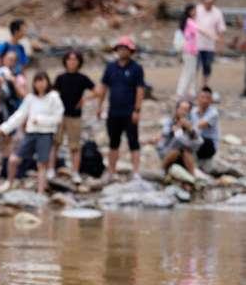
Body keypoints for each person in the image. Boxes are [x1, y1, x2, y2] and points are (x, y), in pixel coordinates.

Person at [0, 71, 64, 194]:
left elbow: (58, 117)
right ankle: (9, 182)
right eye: (37, 81)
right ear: (34, 83)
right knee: (13, 159)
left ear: (47, 82)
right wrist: (5, 128)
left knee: (41, 164)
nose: (40, 84)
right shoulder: (30, 98)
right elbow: (20, 115)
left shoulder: (53, 97)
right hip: (31, 133)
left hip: (45, 134)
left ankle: (40, 191)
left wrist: (40, 120)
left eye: (43, 81)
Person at [96, 36, 145, 182]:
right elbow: (104, 87)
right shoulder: (110, 67)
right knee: (113, 142)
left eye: (125, 48)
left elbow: (140, 89)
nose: (122, 51)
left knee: (133, 142)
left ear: (130, 51)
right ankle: (111, 171)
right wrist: (99, 106)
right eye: (120, 48)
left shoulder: (136, 68)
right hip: (113, 111)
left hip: (129, 111)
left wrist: (137, 110)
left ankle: (136, 171)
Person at [51, 50, 95, 184]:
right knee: (55, 143)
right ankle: (50, 169)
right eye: (69, 59)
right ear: (65, 61)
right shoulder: (60, 78)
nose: (72, 62)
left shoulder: (82, 78)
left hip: (75, 116)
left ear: (79, 62)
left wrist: (85, 99)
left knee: (75, 145)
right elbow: (53, 95)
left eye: (75, 59)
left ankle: (75, 172)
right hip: (59, 115)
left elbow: (97, 90)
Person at [156, 100, 201, 174]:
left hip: (184, 153)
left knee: (186, 151)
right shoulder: (169, 122)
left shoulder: (190, 124)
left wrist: (190, 130)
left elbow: (198, 141)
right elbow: (165, 135)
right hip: (168, 152)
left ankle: (192, 176)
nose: (184, 112)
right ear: (177, 109)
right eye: (182, 109)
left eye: (186, 110)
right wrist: (176, 128)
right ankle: (162, 170)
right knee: (176, 151)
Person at [195, 0, 225, 88]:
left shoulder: (217, 12)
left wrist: (220, 44)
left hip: (210, 46)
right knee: (195, 66)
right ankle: (192, 85)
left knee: (207, 66)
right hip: (196, 44)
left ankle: (204, 85)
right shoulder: (197, 9)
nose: (209, 4)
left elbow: (221, 29)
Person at [191, 86, 219, 168]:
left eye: (207, 98)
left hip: (209, 144)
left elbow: (200, 125)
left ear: (211, 100)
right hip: (197, 140)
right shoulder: (193, 111)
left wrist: (186, 125)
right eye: (202, 97)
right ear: (198, 98)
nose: (204, 101)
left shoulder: (214, 113)